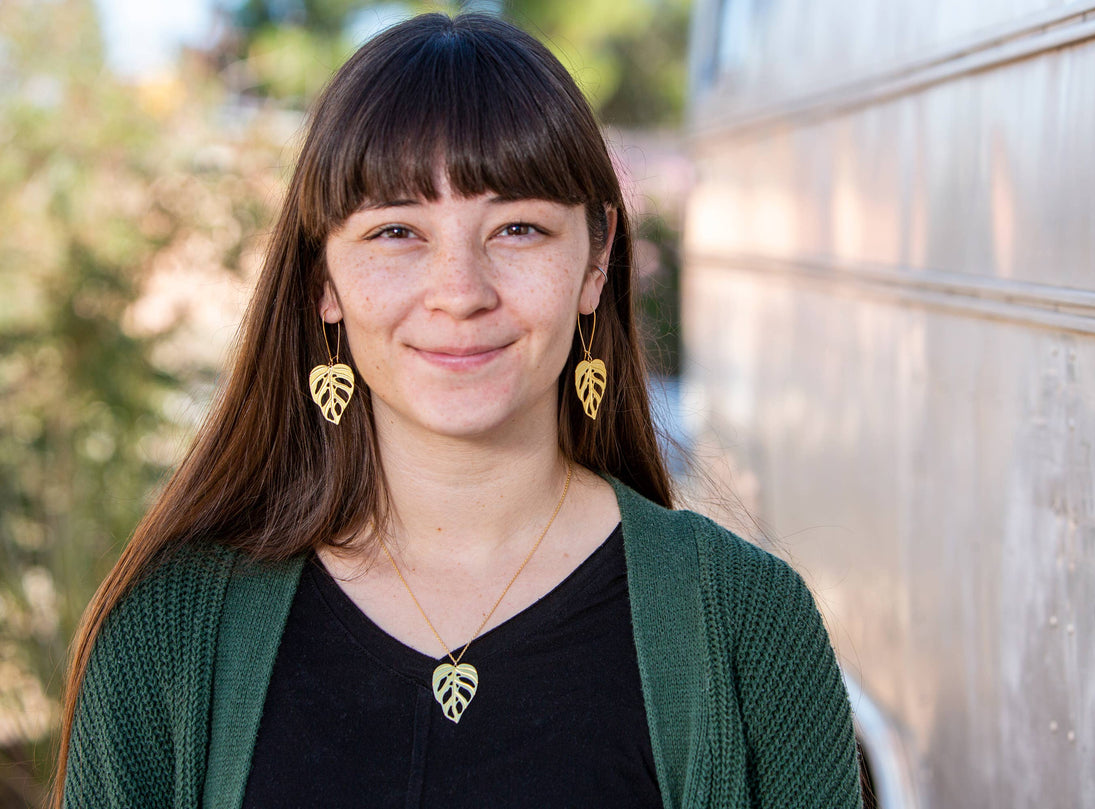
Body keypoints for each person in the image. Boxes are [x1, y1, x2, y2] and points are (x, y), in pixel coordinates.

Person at [55, 13, 862, 809]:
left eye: (517, 228)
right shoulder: (167, 639)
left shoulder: (750, 630)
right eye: (397, 231)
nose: (461, 293)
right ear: (322, 282)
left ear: (597, 256)